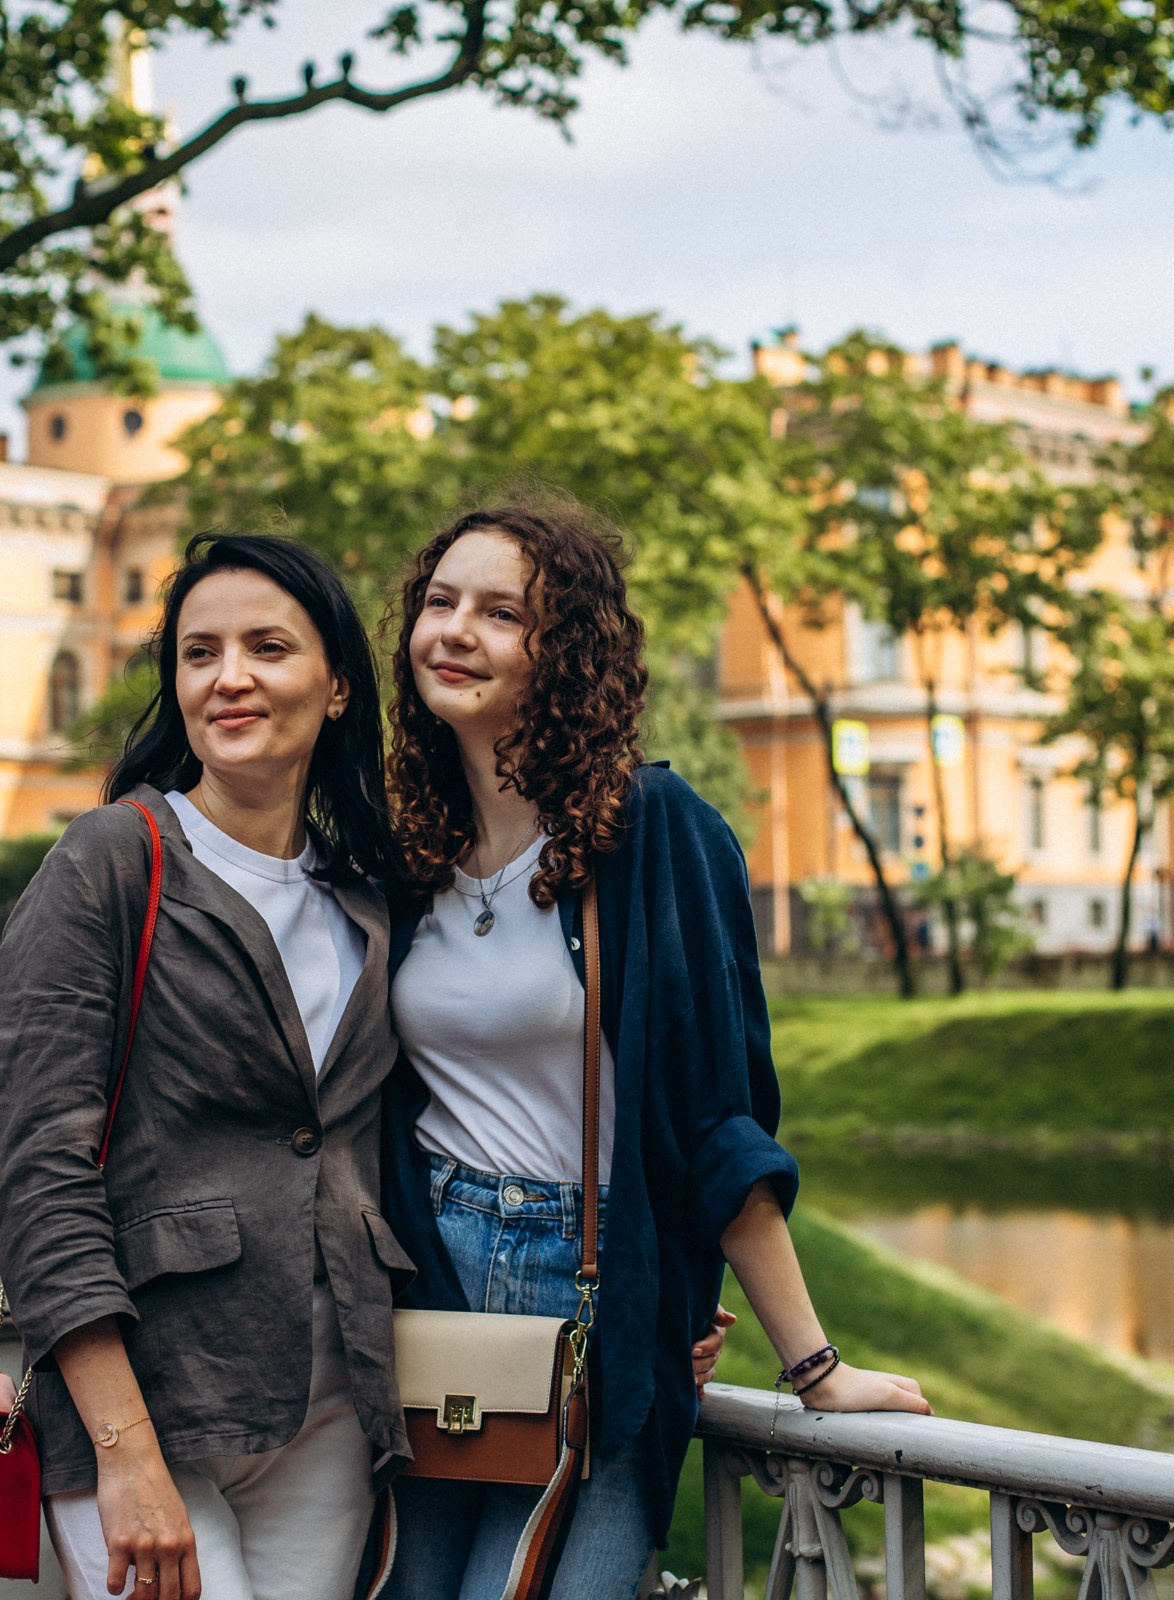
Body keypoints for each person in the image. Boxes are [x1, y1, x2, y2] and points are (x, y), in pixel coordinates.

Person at [378, 499, 933, 1600]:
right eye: (439, 602)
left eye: (499, 612)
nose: (454, 630)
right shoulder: (408, 841)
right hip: (422, 1295)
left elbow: (715, 1124)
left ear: (563, 648)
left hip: (585, 1295)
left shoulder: (654, 832)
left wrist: (813, 1367)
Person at [0, 534, 415, 1600]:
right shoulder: (111, 861)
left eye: (268, 647)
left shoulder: (365, 894)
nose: (228, 678)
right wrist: (126, 1455)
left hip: (326, 1411)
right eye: (198, 652)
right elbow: (39, 1170)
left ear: (340, 685)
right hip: (146, 1406)